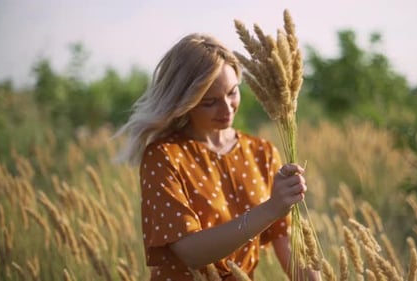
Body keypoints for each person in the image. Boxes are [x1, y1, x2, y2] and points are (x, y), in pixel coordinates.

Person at [117, 33, 314, 280]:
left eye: (232, 92)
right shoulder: (164, 156)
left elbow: (287, 244)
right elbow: (190, 252)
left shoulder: (261, 152)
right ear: (184, 102)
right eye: (209, 102)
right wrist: (272, 208)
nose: (227, 108)